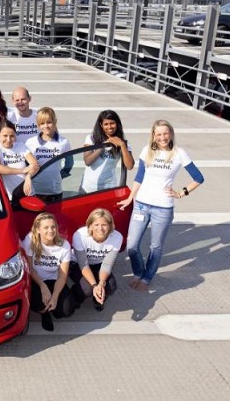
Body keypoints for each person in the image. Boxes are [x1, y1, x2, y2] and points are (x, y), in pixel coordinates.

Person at [118, 119, 204, 291]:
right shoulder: (147, 151)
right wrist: (130, 198)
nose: (163, 137)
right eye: (159, 134)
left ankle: (147, 278)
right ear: (153, 136)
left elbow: (198, 178)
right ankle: (138, 272)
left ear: (171, 134)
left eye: (165, 133)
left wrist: (181, 193)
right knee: (132, 245)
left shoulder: (179, 153)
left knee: (155, 246)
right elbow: (139, 177)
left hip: (163, 208)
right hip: (141, 204)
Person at [21, 212, 76, 331]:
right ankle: (44, 313)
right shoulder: (30, 240)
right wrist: (42, 286)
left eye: (53, 227)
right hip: (36, 279)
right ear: (38, 229)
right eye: (46, 227)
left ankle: (54, 306)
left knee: (66, 310)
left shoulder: (64, 245)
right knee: (38, 303)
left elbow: (62, 275)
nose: (50, 230)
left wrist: (55, 296)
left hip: (54, 279)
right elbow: (29, 268)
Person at [70, 208, 123, 311]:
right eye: (96, 225)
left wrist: (101, 283)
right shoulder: (80, 235)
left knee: (110, 286)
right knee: (87, 288)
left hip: (99, 263)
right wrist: (95, 285)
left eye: (104, 225)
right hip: (78, 264)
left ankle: (98, 299)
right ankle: (76, 298)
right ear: (90, 225)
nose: (101, 229)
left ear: (110, 225)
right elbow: (83, 264)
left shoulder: (117, 237)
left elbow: (107, 264)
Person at [24, 107, 72, 202]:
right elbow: (25, 164)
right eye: (42, 123)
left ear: (55, 122)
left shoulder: (63, 142)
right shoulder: (30, 142)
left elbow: (69, 163)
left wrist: (60, 175)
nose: (46, 126)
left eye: (49, 122)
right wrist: (28, 178)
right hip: (35, 190)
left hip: (54, 191)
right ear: (38, 125)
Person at [81, 109, 134, 193]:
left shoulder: (123, 143)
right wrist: (103, 145)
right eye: (106, 124)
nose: (109, 127)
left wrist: (122, 145)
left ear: (117, 124)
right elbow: (88, 161)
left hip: (109, 188)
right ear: (101, 125)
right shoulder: (91, 138)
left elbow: (130, 166)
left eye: (112, 123)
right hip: (87, 188)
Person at [0, 120, 39, 201]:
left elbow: (35, 164)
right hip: (10, 198)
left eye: (12, 136)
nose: (8, 139)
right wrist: (23, 170)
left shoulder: (20, 146)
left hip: (29, 194)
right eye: (5, 136)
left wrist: (28, 177)